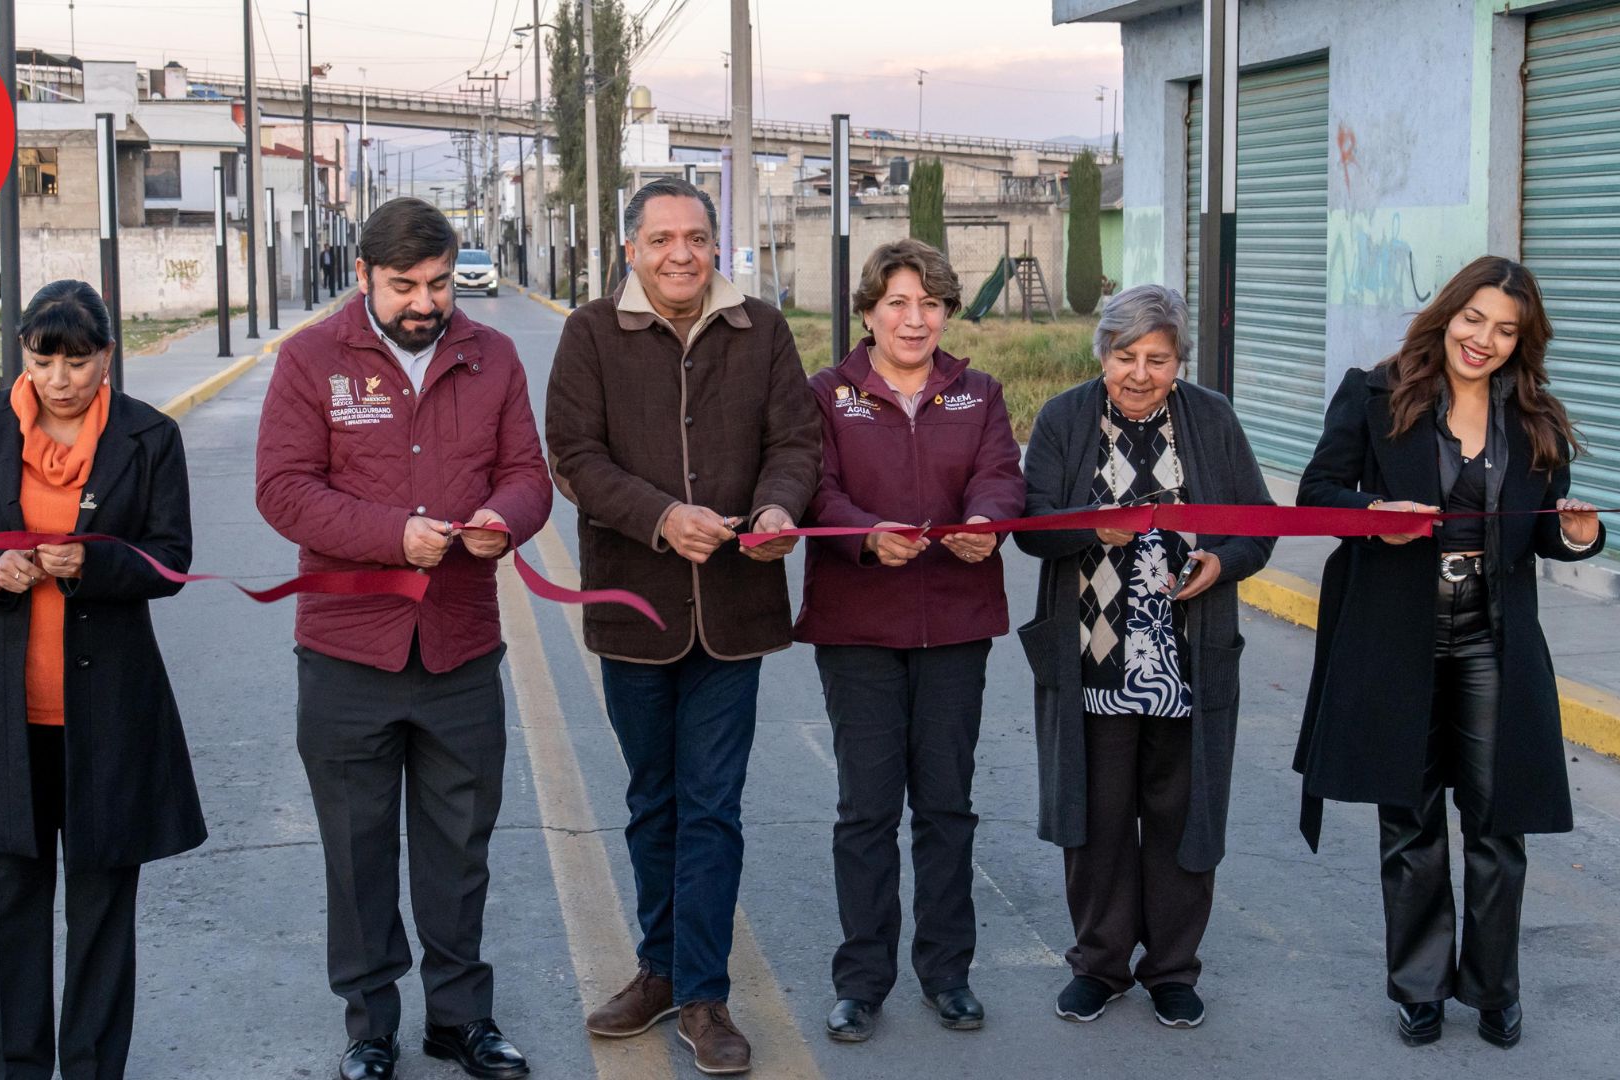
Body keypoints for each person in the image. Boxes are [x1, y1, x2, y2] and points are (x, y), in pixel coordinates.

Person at [255, 197, 552, 1080]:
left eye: (437, 283)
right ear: (363, 277)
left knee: (460, 849)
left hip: (461, 647)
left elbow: (528, 474)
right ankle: (370, 1024)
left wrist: (507, 516)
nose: (425, 303)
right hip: (348, 651)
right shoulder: (311, 359)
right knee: (357, 848)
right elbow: (282, 489)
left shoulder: (491, 356)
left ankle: (460, 1019)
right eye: (403, 286)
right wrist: (394, 535)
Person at [545, 177, 820, 1076]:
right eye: (660, 238)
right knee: (651, 801)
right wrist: (661, 516)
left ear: (716, 245)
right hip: (636, 609)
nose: (680, 254)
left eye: (696, 237)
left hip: (735, 612)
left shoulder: (763, 330)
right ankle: (658, 967)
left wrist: (779, 510)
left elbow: (796, 443)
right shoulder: (590, 334)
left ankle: (702, 994)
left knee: (712, 806)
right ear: (631, 250)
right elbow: (574, 457)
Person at [1294, 255, 1602, 1050]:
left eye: (1506, 330)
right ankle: (1420, 987)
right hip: (1399, 630)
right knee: (1410, 814)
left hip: (1491, 636)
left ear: (1521, 341)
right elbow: (1318, 496)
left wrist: (1578, 536)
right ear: (1449, 310)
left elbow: (1540, 530)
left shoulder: (1536, 419)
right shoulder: (1375, 393)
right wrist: (1374, 512)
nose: (1485, 340)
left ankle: (1495, 988)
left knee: (1500, 820)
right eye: (1475, 319)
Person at [0, 279, 205, 1078]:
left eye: (79, 361)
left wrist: (97, 562)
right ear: (24, 356)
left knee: (104, 903)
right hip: (0, 711)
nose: (62, 378)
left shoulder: (150, 437)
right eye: (46, 359)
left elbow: (171, 560)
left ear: (107, 358)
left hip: (109, 709)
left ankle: (92, 1069)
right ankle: (17, 1070)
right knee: (10, 905)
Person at [1014, 284, 1275, 1030]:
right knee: (1094, 817)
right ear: (1102, 354)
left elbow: (1257, 525)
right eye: (1125, 356)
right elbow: (1031, 529)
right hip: (1089, 659)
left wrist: (1221, 565)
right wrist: (1097, 528)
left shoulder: (1211, 419)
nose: (1139, 372)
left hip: (1187, 660)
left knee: (1179, 814)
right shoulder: (1066, 418)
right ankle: (1099, 965)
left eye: (1157, 359)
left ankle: (1172, 970)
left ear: (1178, 361)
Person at [794, 238, 1024, 1043]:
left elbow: (1001, 474)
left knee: (946, 807)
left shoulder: (980, 393)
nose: (914, 317)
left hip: (955, 625)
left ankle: (947, 973)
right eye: (897, 301)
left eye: (929, 303)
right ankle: (860, 981)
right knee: (865, 810)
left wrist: (988, 523)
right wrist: (863, 535)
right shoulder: (827, 394)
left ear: (948, 312)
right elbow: (811, 486)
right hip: (858, 628)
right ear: (867, 312)